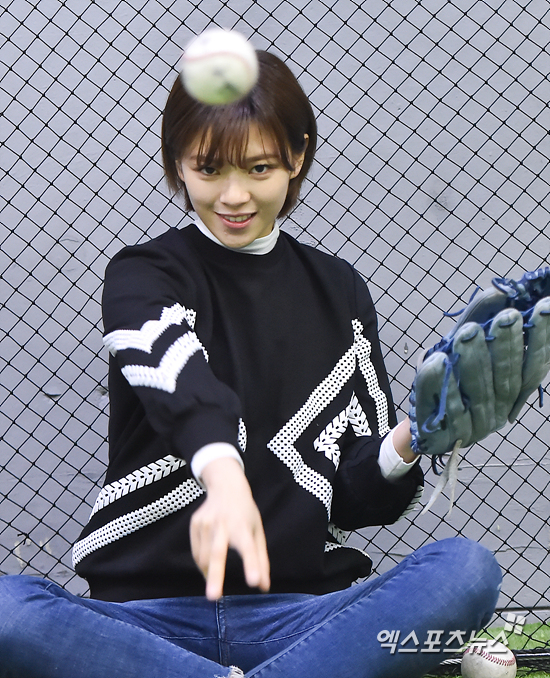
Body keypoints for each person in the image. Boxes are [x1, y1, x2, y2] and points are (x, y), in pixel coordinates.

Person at [0, 49, 501, 678]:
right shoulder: (143, 274)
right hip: (144, 622)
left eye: (259, 168)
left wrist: (413, 438)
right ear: (177, 163)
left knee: (467, 568)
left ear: (296, 157)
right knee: (8, 609)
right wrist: (223, 475)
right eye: (208, 169)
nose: (233, 196)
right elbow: (175, 374)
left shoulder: (339, 290)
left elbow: (354, 502)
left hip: (302, 618)